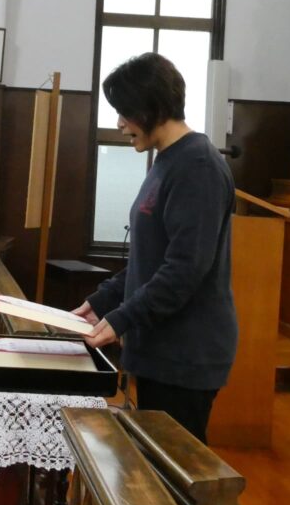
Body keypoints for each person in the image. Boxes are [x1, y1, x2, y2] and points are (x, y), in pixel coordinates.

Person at [73, 53, 237, 444]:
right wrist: (103, 300)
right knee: (153, 466)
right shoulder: (167, 160)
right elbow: (149, 258)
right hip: (159, 349)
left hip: (185, 354)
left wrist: (122, 318)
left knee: (174, 473)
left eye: (124, 111)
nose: (119, 123)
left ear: (151, 107)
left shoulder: (198, 166)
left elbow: (184, 269)